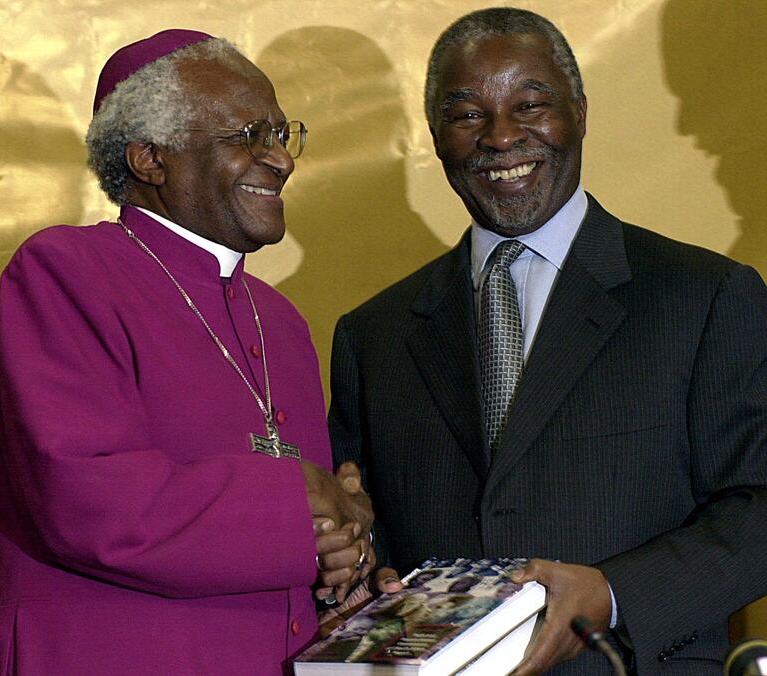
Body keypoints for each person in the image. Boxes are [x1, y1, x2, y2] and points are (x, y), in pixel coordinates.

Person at [328, 7, 767, 675]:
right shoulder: (374, 335)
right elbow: (371, 542)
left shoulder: (704, 295)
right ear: (437, 136)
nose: (501, 138)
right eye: (469, 114)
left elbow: (759, 511)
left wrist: (615, 594)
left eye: (530, 104)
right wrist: (356, 560)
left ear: (581, 113)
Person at [0, 29, 372, 676]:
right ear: (149, 159)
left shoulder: (282, 322)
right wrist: (299, 503)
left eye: (282, 133)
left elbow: (301, 541)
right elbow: (86, 500)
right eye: (249, 137)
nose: (282, 159)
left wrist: (343, 550)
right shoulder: (66, 272)